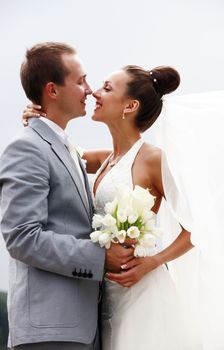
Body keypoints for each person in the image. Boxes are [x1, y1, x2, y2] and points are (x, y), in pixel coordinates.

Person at [23, 64, 197, 349]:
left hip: (143, 297)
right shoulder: (105, 158)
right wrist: (37, 120)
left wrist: (152, 262)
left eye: (106, 87)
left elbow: (194, 228)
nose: (94, 93)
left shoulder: (153, 159)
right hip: (105, 299)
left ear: (130, 105)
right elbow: (57, 152)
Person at [0, 42, 135, 350]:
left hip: (82, 327)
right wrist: (102, 257)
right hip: (51, 330)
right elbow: (22, 237)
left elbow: (115, 158)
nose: (89, 90)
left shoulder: (63, 147)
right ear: (52, 90)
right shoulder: (27, 148)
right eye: (80, 81)